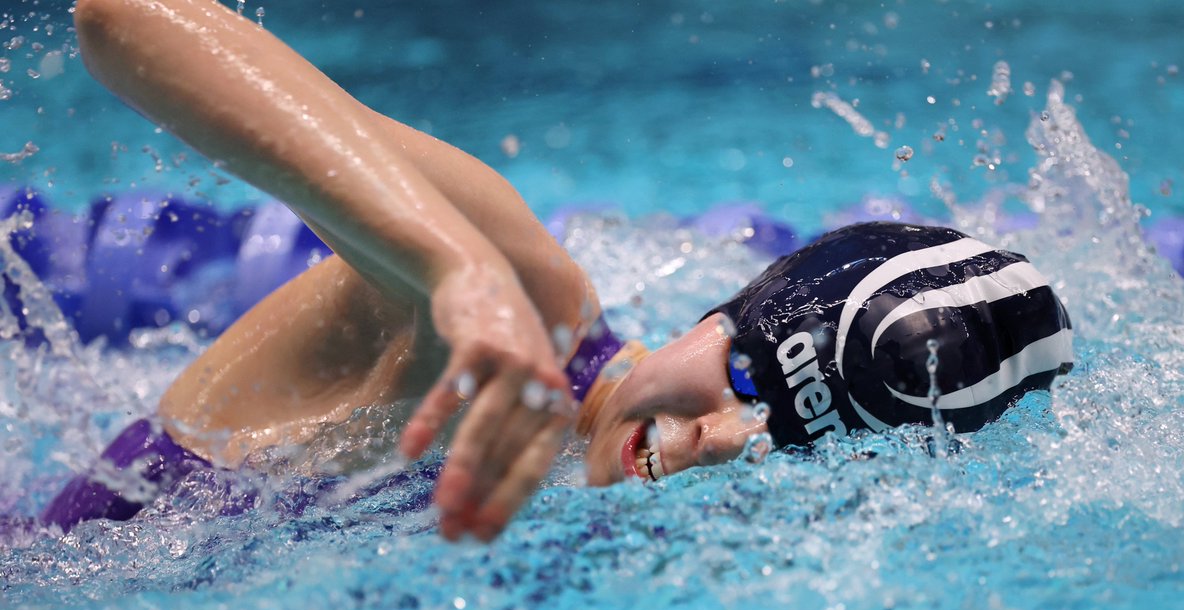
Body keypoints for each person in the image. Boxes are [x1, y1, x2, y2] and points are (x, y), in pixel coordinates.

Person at [35, 0, 1074, 542]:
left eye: (788, 443)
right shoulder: (524, 295)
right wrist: (455, 265)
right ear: (722, 313)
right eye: (749, 379)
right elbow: (123, 20)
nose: (711, 439)